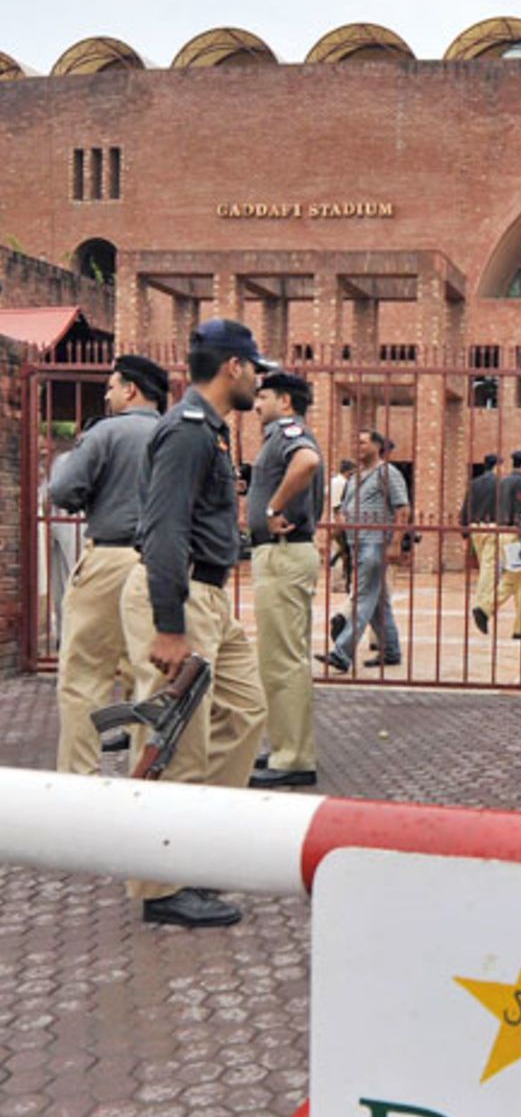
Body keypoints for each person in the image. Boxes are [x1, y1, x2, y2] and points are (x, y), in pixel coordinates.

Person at [121, 318, 271, 928]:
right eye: (255, 368)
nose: (259, 380)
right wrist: (169, 625)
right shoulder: (186, 433)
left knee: (245, 709)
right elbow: (162, 530)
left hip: (208, 597)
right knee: (174, 739)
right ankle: (161, 886)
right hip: (178, 595)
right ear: (233, 367)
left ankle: (202, 843)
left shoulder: (210, 431)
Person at [50, 355, 168, 775]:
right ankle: (145, 776)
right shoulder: (179, 434)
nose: (107, 394)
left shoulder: (107, 433)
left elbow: (63, 490)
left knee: (84, 672)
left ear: (131, 389)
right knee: (149, 675)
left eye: (111, 386)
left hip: (109, 557)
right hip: (161, 562)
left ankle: (79, 777)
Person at [247, 371, 324, 789]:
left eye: (264, 397)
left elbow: (307, 461)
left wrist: (273, 506)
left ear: (286, 402)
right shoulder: (279, 434)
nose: (257, 405)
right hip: (284, 555)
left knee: (283, 660)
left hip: (283, 554)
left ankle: (293, 757)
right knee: (279, 658)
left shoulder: (287, 431)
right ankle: (285, 747)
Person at [318, 429, 408, 672]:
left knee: (364, 597)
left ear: (377, 446)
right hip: (356, 543)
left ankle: (342, 653)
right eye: (355, 441)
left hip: (375, 542)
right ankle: (390, 651)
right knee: (378, 601)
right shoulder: (356, 477)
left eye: (363, 442)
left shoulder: (387, 472)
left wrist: (395, 543)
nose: (357, 446)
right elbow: (344, 510)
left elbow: (402, 509)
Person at [485, 448, 521, 640]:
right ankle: (485, 608)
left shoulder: (505, 481)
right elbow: (520, 512)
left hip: (505, 534)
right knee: (514, 578)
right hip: (516, 536)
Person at [459, 452, 500, 633]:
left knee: (486, 565)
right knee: (489, 568)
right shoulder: (500, 484)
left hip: (475, 528)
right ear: (498, 465)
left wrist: (465, 533)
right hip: (492, 527)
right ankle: (481, 604)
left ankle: (483, 602)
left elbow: (466, 506)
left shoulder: (474, 483)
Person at [328, 458, 355, 590]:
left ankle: (337, 580)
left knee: (337, 550)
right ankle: (339, 582)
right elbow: (338, 505)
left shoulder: (333, 482)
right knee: (342, 552)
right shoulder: (344, 483)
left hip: (331, 519)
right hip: (339, 519)